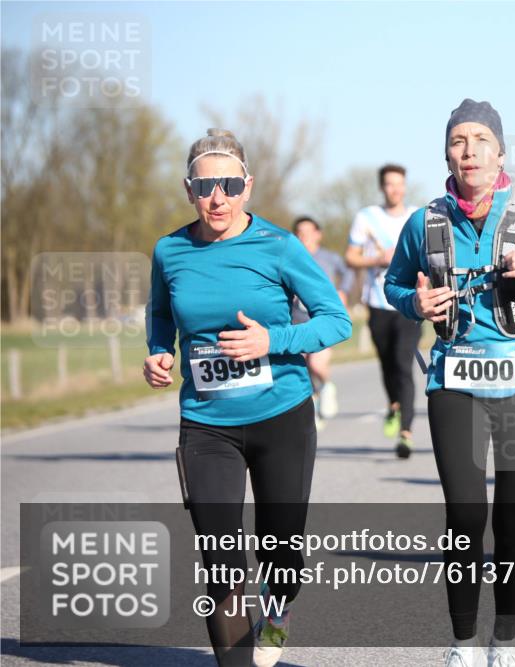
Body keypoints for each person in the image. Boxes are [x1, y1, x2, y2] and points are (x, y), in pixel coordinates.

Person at [384, 99, 515, 667]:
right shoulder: (424, 221)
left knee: (514, 522)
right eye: (458, 140)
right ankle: (462, 645)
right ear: (447, 153)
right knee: (465, 516)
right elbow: (394, 287)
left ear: (501, 151)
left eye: (480, 139)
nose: (469, 149)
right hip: (454, 383)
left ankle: (505, 644)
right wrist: (415, 301)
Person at [144, 129, 352, 667]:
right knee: (221, 560)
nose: (219, 197)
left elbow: (337, 321)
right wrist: (157, 352)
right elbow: (162, 315)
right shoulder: (170, 251)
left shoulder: (279, 247)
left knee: (281, 551)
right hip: (206, 424)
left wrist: (273, 339)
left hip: (281, 415)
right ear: (189, 189)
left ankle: (278, 614)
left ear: (247, 187)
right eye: (206, 185)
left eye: (230, 185)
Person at [345, 164, 420, 458]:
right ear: (382, 187)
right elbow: (351, 257)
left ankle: (406, 433)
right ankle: (393, 405)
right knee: (388, 365)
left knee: (403, 365)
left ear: (405, 186)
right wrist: (378, 258)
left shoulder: (416, 217)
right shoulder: (367, 218)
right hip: (377, 303)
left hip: (409, 302)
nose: (395, 189)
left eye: (399, 184)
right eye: (389, 184)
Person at [291, 215, 354, 425]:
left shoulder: (329, 258)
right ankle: (313, 409)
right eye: (299, 234)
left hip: (322, 321)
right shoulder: (289, 258)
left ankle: (327, 386)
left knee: (316, 363)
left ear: (318, 234)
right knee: (302, 368)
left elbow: (348, 273)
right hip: (296, 322)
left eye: (308, 233)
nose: (304, 238)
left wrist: (343, 292)